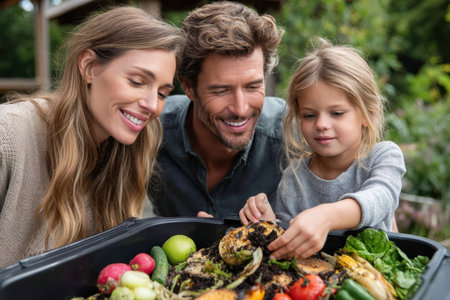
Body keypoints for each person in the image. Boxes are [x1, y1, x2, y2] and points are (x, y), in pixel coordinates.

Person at [0, 6, 184, 269]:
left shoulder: (131, 151)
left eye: (163, 93)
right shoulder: (7, 134)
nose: (152, 105)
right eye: (136, 81)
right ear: (89, 67)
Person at [239, 38, 406, 259]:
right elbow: (289, 252)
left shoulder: (384, 156)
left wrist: (326, 217)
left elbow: (379, 198)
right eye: (309, 115)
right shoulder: (294, 178)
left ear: (369, 115)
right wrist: (268, 223)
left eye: (336, 113)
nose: (321, 124)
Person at [149, 1, 285, 219]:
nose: (240, 109)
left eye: (253, 87)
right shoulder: (151, 128)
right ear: (189, 88)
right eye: (221, 91)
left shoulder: (295, 130)